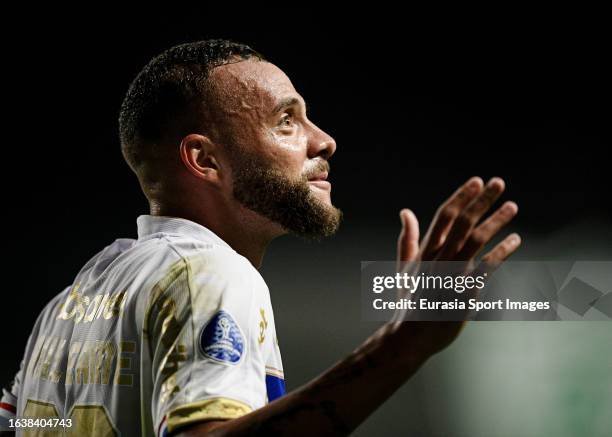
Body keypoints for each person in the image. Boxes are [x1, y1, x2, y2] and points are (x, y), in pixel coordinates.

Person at [0, 39, 520, 436]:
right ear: (204, 160)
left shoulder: (67, 306)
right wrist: (403, 345)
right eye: (286, 120)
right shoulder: (208, 273)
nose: (323, 140)